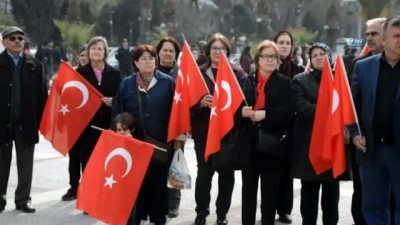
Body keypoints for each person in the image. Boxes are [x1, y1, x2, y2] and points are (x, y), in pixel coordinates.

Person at [112, 44, 175, 225]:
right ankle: (136, 219)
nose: (148, 61)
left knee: (159, 188)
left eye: (151, 58)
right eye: (144, 58)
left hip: (160, 146)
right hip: (133, 147)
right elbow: (118, 113)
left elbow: (176, 112)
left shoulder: (168, 82)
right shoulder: (126, 84)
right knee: (136, 188)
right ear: (136, 63)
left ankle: (159, 219)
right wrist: (119, 134)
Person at [190, 33, 246, 225]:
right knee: (204, 175)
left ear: (228, 52)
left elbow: (245, 103)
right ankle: (201, 213)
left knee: (226, 175)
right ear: (208, 51)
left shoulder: (238, 74)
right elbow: (185, 103)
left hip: (227, 134)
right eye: (214, 48)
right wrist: (199, 104)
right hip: (203, 133)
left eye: (222, 48)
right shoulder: (197, 73)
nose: (218, 52)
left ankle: (222, 213)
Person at [350, 16, 400, 225]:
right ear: (385, 39)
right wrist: (354, 133)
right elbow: (352, 108)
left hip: (398, 150)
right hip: (371, 150)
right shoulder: (363, 68)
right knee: (372, 206)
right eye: (396, 36)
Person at [240, 40, 295, 225]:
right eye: (266, 56)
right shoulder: (246, 82)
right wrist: (241, 112)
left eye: (274, 57)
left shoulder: (285, 83)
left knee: (270, 192)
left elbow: (289, 111)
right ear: (257, 59)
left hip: (274, 145)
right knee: (248, 191)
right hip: (249, 145)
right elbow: (232, 109)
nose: (270, 60)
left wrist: (265, 114)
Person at [60, 36, 121, 202]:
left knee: (102, 162)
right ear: (88, 51)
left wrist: (113, 101)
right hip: (85, 126)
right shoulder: (79, 74)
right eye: (93, 48)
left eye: (100, 49)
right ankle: (87, 197)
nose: (96, 51)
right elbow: (71, 98)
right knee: (86, 162)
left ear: (105, 52)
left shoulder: (114, 73)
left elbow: (121, 96)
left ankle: (101, 194)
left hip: (106, 125)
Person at [291, 42, 340, 225]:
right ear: (310, 59)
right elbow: (302, 107)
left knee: (331, 197)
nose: (319, 57)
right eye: (314, 55)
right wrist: (331, 110)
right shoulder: (300, 80)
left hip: (332, 146)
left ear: (329, 56)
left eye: (322, 53)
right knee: (309, 195)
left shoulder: (339, 79)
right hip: (308, 145)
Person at [0, 26, 48, 213]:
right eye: (12, 38)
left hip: (26, 123)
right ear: (4, 42)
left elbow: (42, 96)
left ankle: (23, 200)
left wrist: (43, 122)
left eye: (20, 37)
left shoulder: (35, 65)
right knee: (1, 165)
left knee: (26, 164)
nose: (17, 41)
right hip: (3, 123)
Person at [273, 30, 305, 224]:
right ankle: (270, 204)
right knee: (271, 171)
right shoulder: (268, 66)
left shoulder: (299, 70)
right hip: (272, 125)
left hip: (292, 127)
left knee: (287, 170)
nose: (284, 45)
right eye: (281, 42)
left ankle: (284, 209)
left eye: (288, 43)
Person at [155, 36, 184, 218]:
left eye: (171, 51)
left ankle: (174, 203)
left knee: (176, 165)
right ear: (158, 53)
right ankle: (157, 200)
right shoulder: (150, 72)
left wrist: (181, 133)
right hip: (155, 127)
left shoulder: (182, 74)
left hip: (177, 127)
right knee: (157, 166)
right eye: (164, 50)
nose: (167, 53)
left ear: (176, 55)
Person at [61, 45, 89, 201]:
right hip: (74, 123)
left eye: (86, 55)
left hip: (89, 124)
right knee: (74, 157)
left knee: (87, 158)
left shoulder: (93, 75)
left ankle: (86, 188)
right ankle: (73, 186)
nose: (84, 58)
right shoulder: (73, 73)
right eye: (82, 55)